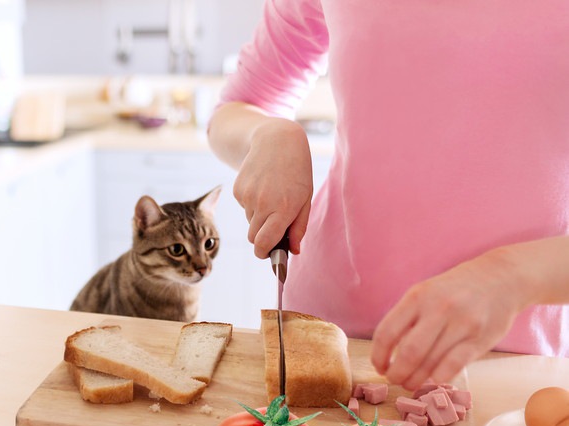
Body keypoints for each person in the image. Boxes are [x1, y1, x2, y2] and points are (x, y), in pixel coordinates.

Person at [208, 0, 569, 391]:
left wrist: (512, 277)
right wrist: (267, 134)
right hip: (332, 345)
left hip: (513, 367)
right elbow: (238, 106)